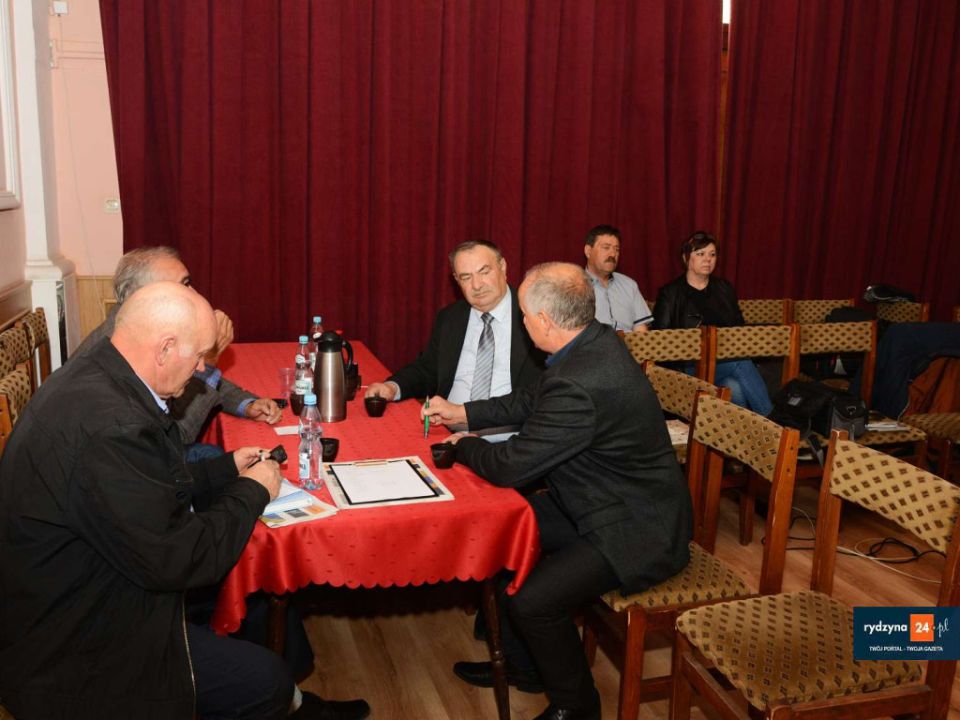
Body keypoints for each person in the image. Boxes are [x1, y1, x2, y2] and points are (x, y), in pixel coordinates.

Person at [0, 282, 370, 720]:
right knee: (264, 679)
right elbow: (184, 557)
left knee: (262, 585)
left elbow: (142, 488)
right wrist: (254, 490)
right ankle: (281, 697)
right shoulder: (111, 427)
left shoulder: (101, 374)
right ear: (164, 348)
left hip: (97, 582)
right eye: (198, 357)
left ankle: (295, 704)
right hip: (79, 643)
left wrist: (225, 469)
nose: (201, 369)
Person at [423, 263, 691, 720]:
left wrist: (464, 446)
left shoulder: (581, 380)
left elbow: (510, 466)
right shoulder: (591, 342)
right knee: (503, 536)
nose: (522, 322)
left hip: (637, 526)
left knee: (533, 601)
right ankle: (526, 667)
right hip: (594, 499)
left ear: (546, 320)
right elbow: (530, 401)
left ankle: (577, 707)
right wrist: (465, 413)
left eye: (524, 315)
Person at [74, 247, 283, 450]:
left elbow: (188, 376)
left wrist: (246, 404)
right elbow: (175, 437)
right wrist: (210, 358)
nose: (194, 293)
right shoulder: (125, 352)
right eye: (182, 286)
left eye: (189, 283)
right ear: (143, 296)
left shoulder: (139, 329)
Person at [365, 239, 545, 406]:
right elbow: (428, 369)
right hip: (447, 424)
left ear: (503, 267)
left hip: (509, 425)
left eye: (484, 272)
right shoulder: (450, 317)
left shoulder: (536, 315)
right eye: (466, 277)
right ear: (457, 280)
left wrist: (468, 417)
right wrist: (392, 387)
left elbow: (540, 392)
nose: (477, 285)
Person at [653, 231, 773, 415]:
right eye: (700, 254)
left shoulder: (724, 289)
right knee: (739, 361)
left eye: (712, 254)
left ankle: (740, 432)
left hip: (723, 363)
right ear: (686, 258)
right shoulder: (670, 294)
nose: (707, 259)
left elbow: (739, 329)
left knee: (734, 387)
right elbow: (660, 341)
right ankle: (773, 421)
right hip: (687, 366)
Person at [583, 224, 653, 332]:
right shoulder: (573, 286)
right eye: (606, 248)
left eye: (617, 249)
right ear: (588, 251)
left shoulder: (629, 285)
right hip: (593, 342)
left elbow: (640, 330)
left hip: (628, 342)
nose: (613, 254)